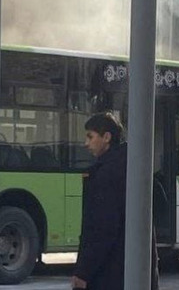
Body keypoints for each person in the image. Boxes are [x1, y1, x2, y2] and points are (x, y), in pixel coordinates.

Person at [71, 112, 159, 290]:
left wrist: (83, 272)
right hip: (128, 269)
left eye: (90, 136)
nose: (86, 143)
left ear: (107, 137)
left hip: (109, 272)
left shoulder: (105, 174)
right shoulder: (134, 165)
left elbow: (101, 229)